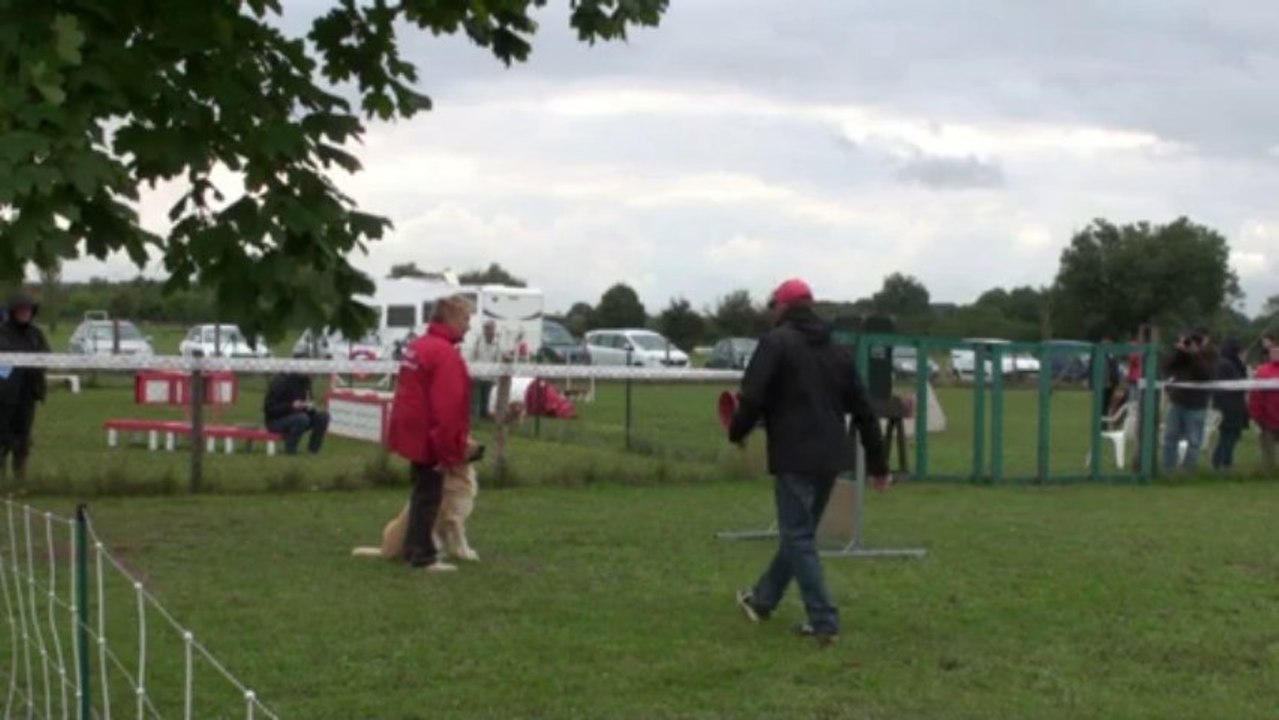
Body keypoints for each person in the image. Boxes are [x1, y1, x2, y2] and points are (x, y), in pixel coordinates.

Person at [728, 278, 889, 646]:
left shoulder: (776, 343)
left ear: (783, 307)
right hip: (831, 458)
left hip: (794, 456)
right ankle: (763, 599)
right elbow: (864, 410)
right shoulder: (838, 350)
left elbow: (752, 397)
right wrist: (879, 465)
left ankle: (823, 621)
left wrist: (737, 432)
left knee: (797, 536)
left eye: (773, 306)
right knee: (798, 534)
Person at [386, 295, 475, 572]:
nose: (468, 326)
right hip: (429, 438)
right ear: (449, 317)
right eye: (465, 320)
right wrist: (448, 450)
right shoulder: (444, 354)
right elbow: (447, 408)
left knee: (420, 494)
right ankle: (423, 556)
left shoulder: (417, 347)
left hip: (411, 433)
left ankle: (414, 548)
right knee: (429, 497)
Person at [0, 294, 50, 484]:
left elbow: (46, 356)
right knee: (2, 436)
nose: (25, 314)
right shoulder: (2, 333)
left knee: (23, 437)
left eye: (28, 311)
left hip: (28, 394)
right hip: (4, 396)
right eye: (21, 311)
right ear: (13, 313)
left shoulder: (36, 334)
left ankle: (20, 477)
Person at [1162, 331, 1212, 471]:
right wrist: (1180, 352)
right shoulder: (1179, 356)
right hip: (1178, 402)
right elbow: (1166, 366)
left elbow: (1205, 374)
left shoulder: (1207, 355)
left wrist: (1194, 354)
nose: (1188, 346)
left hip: (1196, 405)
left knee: (1194, 441)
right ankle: (1168, 469)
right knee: (1170, 437)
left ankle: (1188, 470)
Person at [263, 360, 330, 455]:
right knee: (302, 418)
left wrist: (309, 407)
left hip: (298, 417)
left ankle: (313, 451)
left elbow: (306, 407)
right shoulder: (281, 381)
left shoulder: (305, 382)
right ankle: (290, 450)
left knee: (323, 416)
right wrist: (291, 406)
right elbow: (269, 409)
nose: (313, 376)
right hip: (275, 421)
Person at [1210, 338, 1248, 471]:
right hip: (1229, 407)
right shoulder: (1227, 365)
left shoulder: (1230, 364)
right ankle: (1221, 463)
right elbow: (1239, 384)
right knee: (1228, 437)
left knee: (1230, 436)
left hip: (1231, 406)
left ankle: (1225, 462)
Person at [1248, 341, 1279, 476]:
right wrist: (1256, 415)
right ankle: (1268, 473)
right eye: (1273, 352)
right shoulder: (1262, 370)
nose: (1275, 354)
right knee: (1268, 449)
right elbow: (1255, 394)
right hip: (1267, 418)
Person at [469, 320, 502, 419]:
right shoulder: (478, 341)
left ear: (494, 330)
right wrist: (472, 372)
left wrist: (496, 377)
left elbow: (498, 361)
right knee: (476, 398)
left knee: (486, 398)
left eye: (490, 329)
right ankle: (475, 417)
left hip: (489, 376)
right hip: (478, 375)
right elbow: (472, 357)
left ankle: (484, 415)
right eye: (486, 329)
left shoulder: (497, 344)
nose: (488, 331)